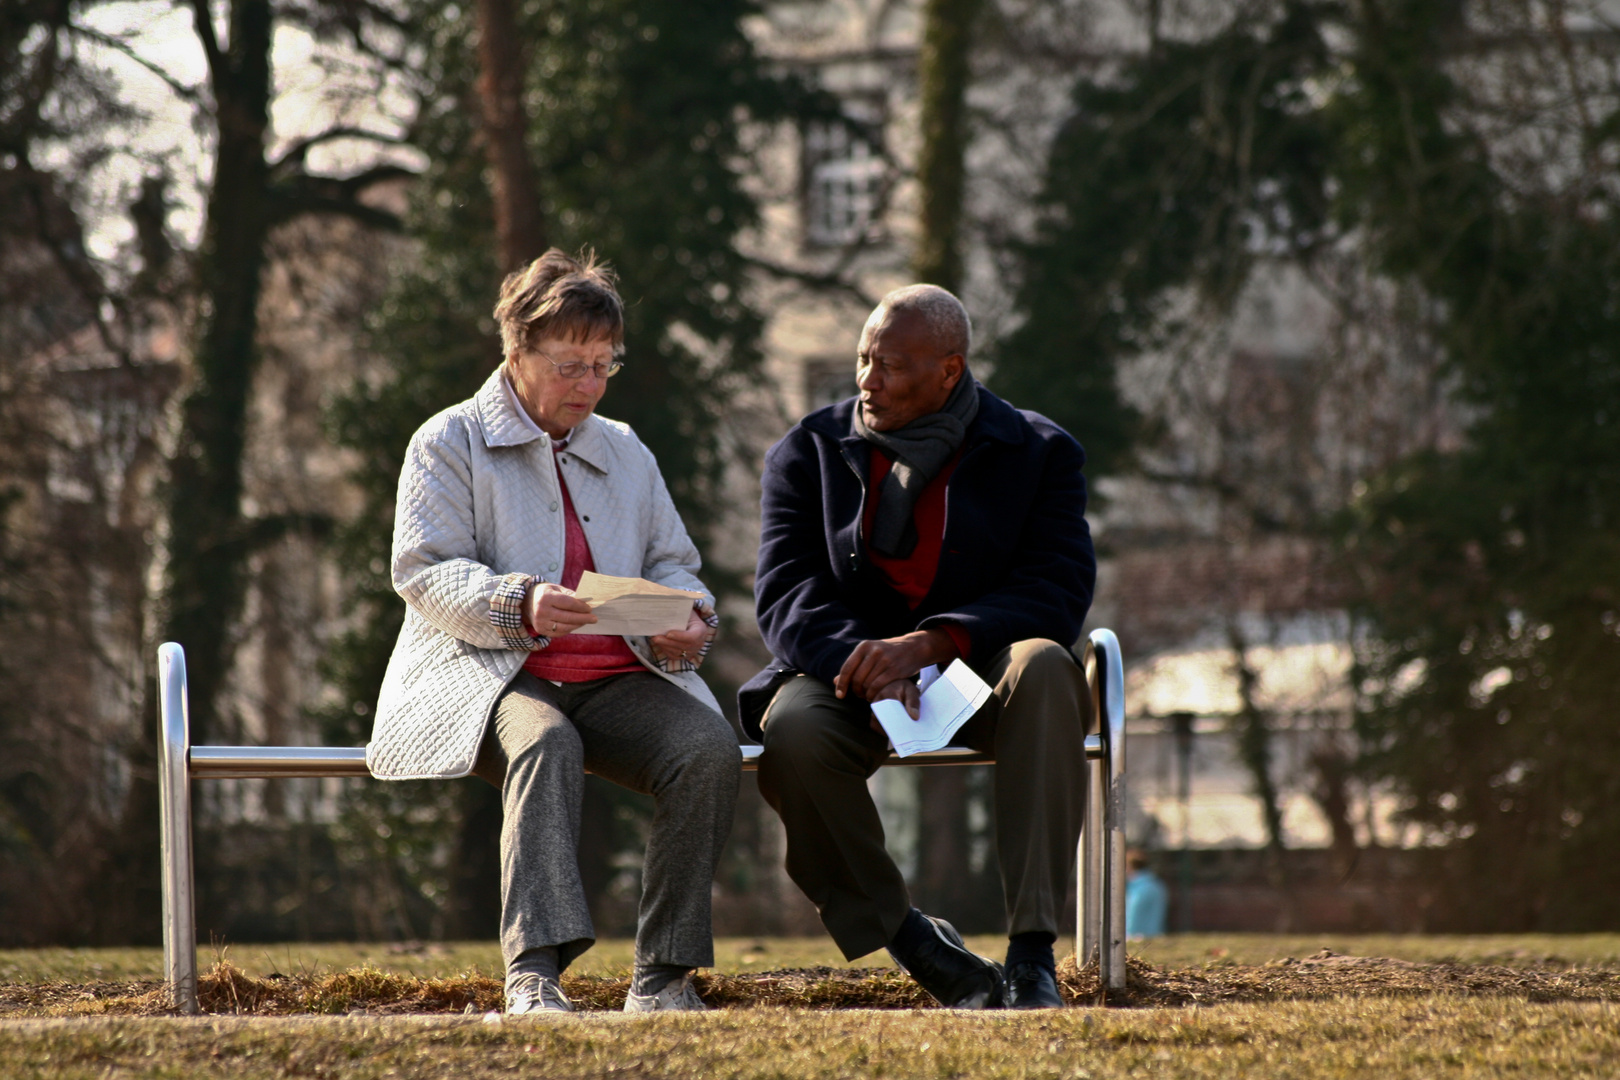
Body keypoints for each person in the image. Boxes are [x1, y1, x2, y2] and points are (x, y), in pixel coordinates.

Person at [367, 248, 739, 1014]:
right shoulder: (447, 440)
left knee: (707, 748)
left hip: (615, 680)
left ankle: (663, 979)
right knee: (544, 742)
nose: (590, 386)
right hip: (496, 677)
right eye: (572, 365)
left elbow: (676, 561)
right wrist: (518, 603)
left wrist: (688, 620)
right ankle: (532, 974)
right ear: (517, 351)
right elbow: (422, 569)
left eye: (605, 366)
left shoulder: (626, 449)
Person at [741, 284, 1097, 1010]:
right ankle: (912, 940)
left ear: (950, 371)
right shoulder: (806, 451)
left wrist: (933, 643)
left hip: (977, 668)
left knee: (1050, 668)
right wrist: (864, 662)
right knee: (795, 731)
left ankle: (1032, 957)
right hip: (845, 670)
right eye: (865, 359)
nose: (869, 381)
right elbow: (784, 593)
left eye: (894, 367)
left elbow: (1055, 590)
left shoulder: (1039, 452)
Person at [1125, 849, 1169, 939]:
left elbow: (1133, 916)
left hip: (1138, 938)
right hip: (1154, 935)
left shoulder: (1139, 888)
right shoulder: (1156, 884)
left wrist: (1127, 936)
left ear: (1130, 866)